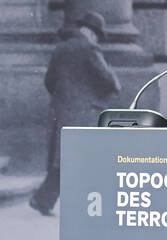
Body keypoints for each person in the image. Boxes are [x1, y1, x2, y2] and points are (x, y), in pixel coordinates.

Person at [30, 11, 121, 215]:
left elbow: (49, 81)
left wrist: (64, 98)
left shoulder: (61, 48)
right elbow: (108, 79)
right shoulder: (90, 48)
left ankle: (43, 199)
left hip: (61, 111)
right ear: (90, 32)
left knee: (63, 159)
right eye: (97, 34)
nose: (97, 39)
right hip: (85, 112)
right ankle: (86, 204)